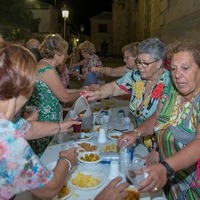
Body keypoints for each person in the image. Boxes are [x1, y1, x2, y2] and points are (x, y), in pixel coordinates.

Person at [0, 44, 129, 200]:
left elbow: (27, 128)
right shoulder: (6, 135)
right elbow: (48, 189)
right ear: (26, 87)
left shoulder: (8, 121)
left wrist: (61, 126)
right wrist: (66, 160)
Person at [118, 40, 200, 199]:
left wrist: (166, 167)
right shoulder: (172, 91)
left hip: (193, 185)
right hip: (170, 179)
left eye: (185, 68)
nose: (177, 75)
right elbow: (157, 117)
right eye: (174, 69)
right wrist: (137, 132)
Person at [83, 37, 170, 165]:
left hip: (163, 146)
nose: (139, 66)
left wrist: (159, 151)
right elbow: (114, 87)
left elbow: (167, 121)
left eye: (144, 63)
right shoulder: (136, 76)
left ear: (159, 63)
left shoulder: (170, 83)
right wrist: (98, 93)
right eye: (138, 62)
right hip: (142, 139)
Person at [26, 34, 81, 156]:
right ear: (57, 52)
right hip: (46, 119)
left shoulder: (44, 65)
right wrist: (82, 93)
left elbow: (59, 90)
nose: (66, 55)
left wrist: (82, 89)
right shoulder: (47, 69)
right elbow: (64, 97)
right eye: (65, 52)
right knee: (48, 154)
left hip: (44, 118)